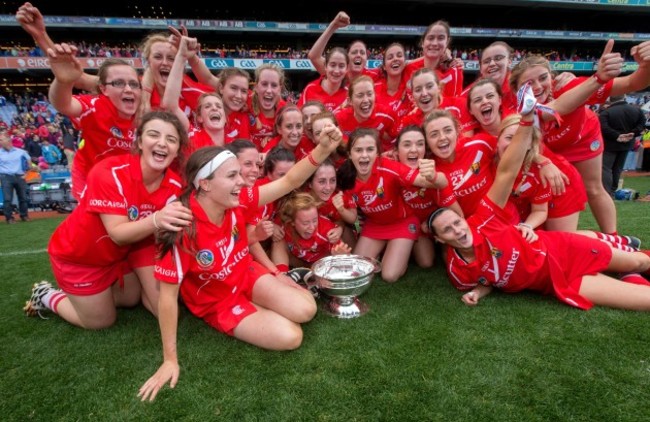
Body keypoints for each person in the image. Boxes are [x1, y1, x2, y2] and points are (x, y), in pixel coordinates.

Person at [138, 120, 343, 402]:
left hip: (246, 273)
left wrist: (322, 150)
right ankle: (253, 309)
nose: (242, 181)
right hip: (218, 301)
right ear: (206, 184)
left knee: (307, 309)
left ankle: (261, 303)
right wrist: (169, 359)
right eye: (232, 176)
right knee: (291, 337)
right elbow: (167, 297)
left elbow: (289, 182)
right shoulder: (181, 225)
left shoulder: (236, 199)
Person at [428, 83, 650, 310]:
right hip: (555, 282)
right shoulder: (458, 272)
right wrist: (478, 291)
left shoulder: (483, 219)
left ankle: (624, 253)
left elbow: (507, 170)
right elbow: (488, 278)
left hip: (564, 251)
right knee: (645, 301)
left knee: (640, 261)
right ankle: (628, 269)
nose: (457, 230)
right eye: (447, 230)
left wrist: (527, 121)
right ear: (440, 240)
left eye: (456, 222)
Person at [23, 111, 193, 329]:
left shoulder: (175, 184)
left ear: (177, 149)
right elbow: (118, 234)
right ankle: (46, 295)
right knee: (100, 322)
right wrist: (157, 219)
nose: (162, 143)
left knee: (137, 301)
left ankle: (94, 295)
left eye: (171, 139)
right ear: (140, 141)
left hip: (127, 252)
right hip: (81, 257)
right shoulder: (109, 171)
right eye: (154, 135)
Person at [509, 40, 650, 235]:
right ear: (516, 90)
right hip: (548, 150)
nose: (538, 86)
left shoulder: (572, 86)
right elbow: (553, 110)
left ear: (552, 77)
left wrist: (646, 65)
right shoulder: (516, 107)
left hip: (582, 138)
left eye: (543, 78)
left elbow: (632, 82)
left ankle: (614, 238)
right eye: (528, 83)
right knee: (549, 192)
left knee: (593, 188)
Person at [337, 127, 448, 282]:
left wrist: (434, 176)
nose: (364, 155)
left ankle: (399, 254)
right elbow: (352, 218)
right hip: (374, 225)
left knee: (389, 276)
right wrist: (341, 209)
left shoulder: (390, 167)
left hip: (402, 223)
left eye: (370, 149)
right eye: (358, 150)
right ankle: (391, 250)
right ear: (349, 154)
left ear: (377, 153)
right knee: (358, 269)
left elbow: (439, 183)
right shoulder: (346, 176)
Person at [47, 44, 141, 199]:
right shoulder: (96, 106)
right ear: (103, 89)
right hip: (89, 180)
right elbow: (64, 104)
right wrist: (62, 81)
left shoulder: (145, 112)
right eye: (118, 83)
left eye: (134, 84)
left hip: (122, 180)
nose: (128, 89)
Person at [272, 192, 351, 269]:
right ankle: (282, 274)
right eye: (305, 223)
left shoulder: (326, 229)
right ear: (292, 222)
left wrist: (342, 256)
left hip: (320, 265)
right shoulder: (284, 224)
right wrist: (272, 226)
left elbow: (348, 261)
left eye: (315, 220)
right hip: (297, 261)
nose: (312, 227)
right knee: (278, 239)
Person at [599, 95, 646, 195]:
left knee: (606, 168)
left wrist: (618, 135)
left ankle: (607, 191)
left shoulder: (606, 112)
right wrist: (633, 133)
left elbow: (603, 128)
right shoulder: (637, 110)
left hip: (609, 144)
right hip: (627, 143)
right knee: (618, 168)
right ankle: (613, 189)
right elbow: (642, 124)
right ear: (624, 97)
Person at [0, 127, 30, 224]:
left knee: (23, 198)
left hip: (19, 176)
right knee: (7, 199)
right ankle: (9, 218)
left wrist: (27, 174)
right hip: (6, 177)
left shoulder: (21, 152)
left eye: (1, 140)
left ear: (8, 140)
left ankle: (24, 215)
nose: (0, 142)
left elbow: (29, 164)